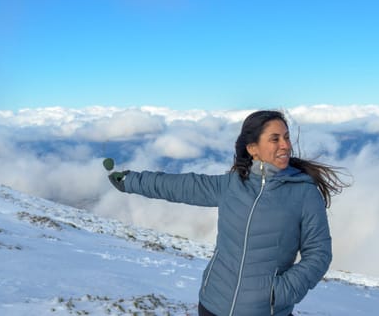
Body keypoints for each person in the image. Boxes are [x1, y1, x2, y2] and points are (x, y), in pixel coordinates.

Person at [108, 110, 347, 316]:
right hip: (213, 303)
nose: (285, 145)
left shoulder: (304, 194)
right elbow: (179, 186)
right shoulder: (233, 185)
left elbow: (319, 254)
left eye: (286, 137)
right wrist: (130, 181)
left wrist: (279, 293)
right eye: (275, 139)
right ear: (253, 148)